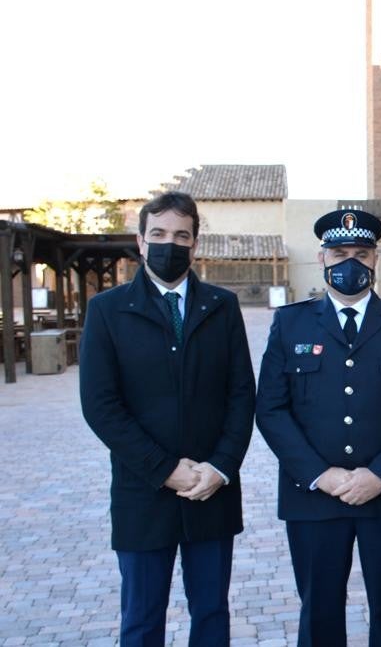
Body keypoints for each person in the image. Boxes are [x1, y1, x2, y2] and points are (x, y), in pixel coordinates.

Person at [254, 208, 381, 647]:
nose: (350, 263)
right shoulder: (289, 323)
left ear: (375, 258)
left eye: (360, 253)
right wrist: (322, 474)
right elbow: (271, 410)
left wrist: (380, 474)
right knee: (318, 609)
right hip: (315, 496)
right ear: (322, 258)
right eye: (339, 253)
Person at [80, 191, 255, 646]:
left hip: (211, 490)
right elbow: (101, 406)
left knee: (212, 612)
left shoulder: (222, 306)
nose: (169, 244)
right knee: (141, 617)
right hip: (143, 492)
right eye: (158, 234)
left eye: (181, 235)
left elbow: (241, 396)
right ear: (141, 241)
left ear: (195, 244)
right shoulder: (108, 310)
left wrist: (219, 467)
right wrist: (164, 470)